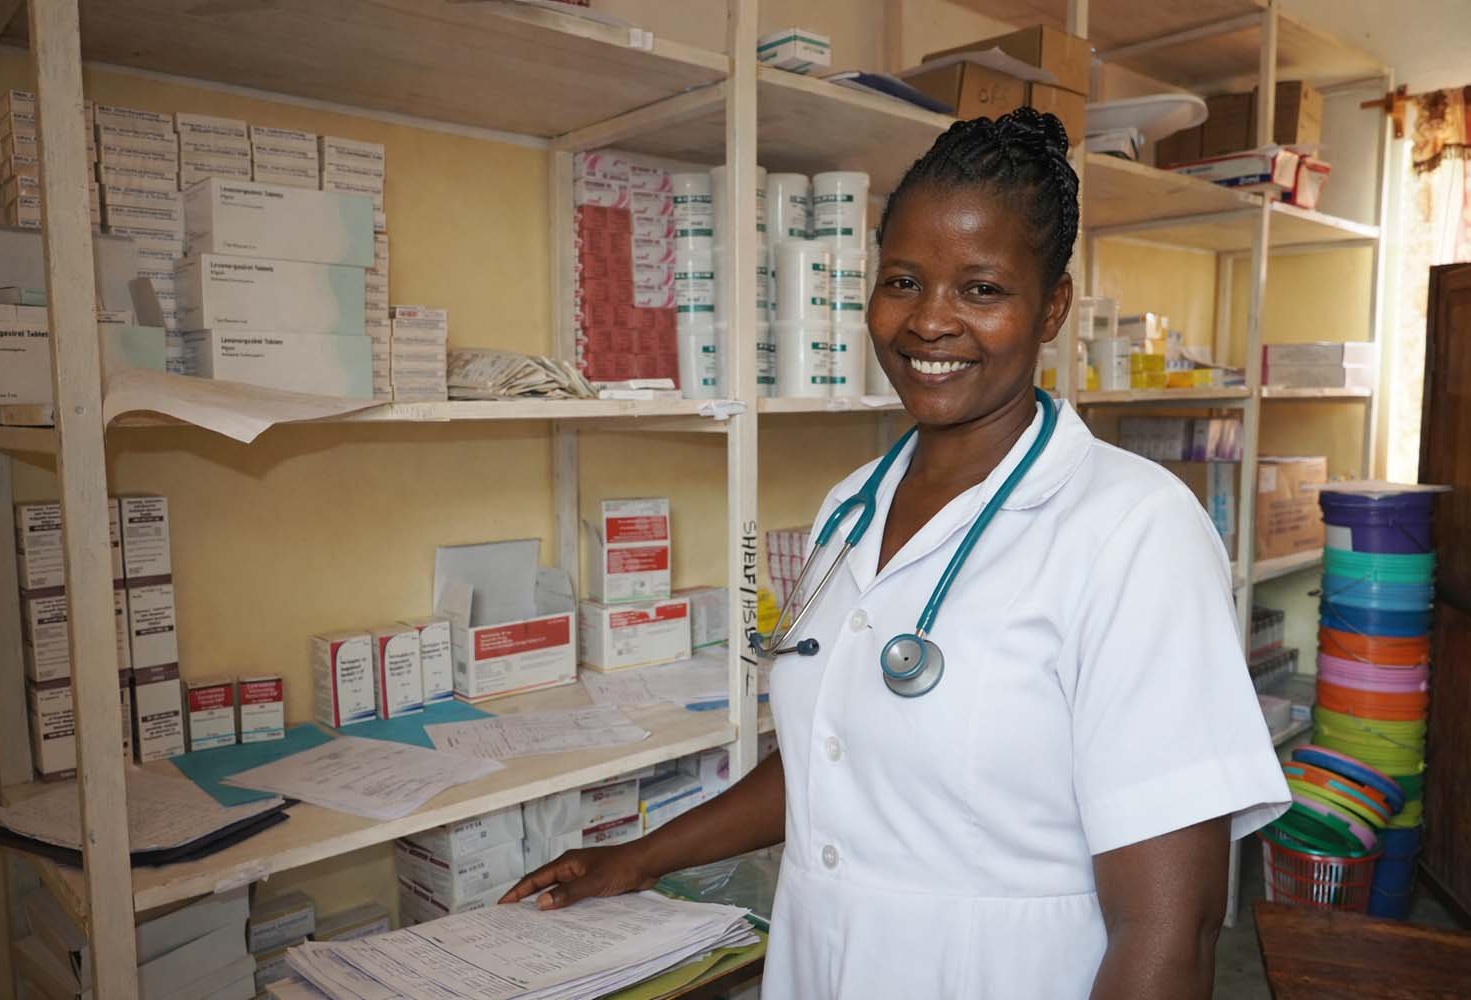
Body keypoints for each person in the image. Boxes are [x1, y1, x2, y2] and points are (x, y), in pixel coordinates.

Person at [503, 109, 1290, 999]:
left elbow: (1169, 929)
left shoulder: (1133, 529)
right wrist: (639, 859)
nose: (929, 322)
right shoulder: (851, 508)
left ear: (1053, 307)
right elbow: (834, 753)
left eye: (981, 289)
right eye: (904, 281)